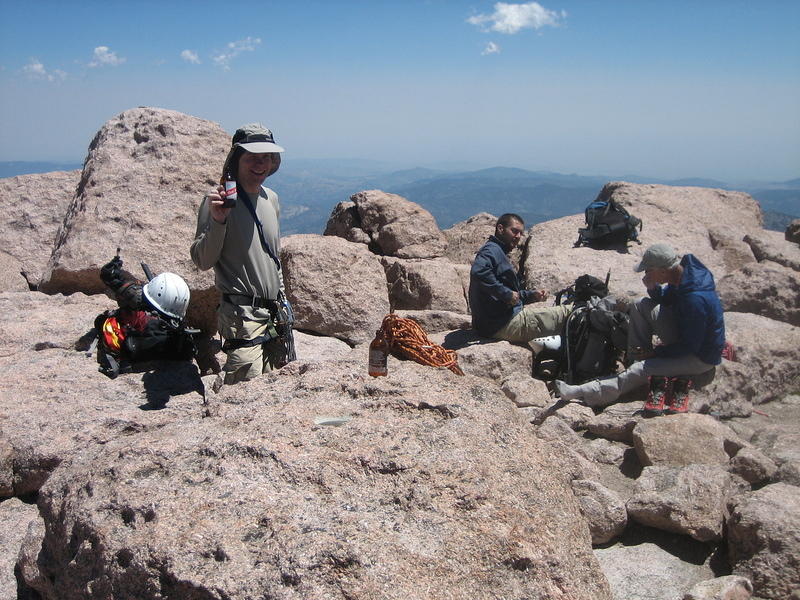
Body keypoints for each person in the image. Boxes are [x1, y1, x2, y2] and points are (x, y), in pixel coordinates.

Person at [553, 243, 725, 414]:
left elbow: (691, 346)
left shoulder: (695, 299)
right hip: (685, 335)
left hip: (700, 356)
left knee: (642, 369)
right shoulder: (682, 276)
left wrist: (656, 354)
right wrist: (653, 288)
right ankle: (636, 355)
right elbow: (668, 300)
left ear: (663, 271)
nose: (646, 274)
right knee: (639, 304)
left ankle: (582, 392)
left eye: (648, 270)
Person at [190, 123, 293, 384]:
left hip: (274, 314)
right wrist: (218, 221)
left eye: (266, 157)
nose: (261, 165)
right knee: (243, 393)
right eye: (252, 158)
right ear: (237, 159)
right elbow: (202, 260)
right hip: (242, 317)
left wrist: (282, 300)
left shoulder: (271, 199)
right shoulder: (218, 201)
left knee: (277, 389)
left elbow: (273, 258)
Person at [469, 213, 571, 342]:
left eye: (520, 233)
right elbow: (479, 272)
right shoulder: (491, 251)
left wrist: (531, 295)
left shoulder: (498, 252)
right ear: (500, 229)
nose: (518, 236)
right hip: (502, 324)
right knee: (572, 314)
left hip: (496, 322)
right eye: (514, 231)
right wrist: (506, 294)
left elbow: (508, 295)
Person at [96, 254, 195, 378]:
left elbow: (113, 280)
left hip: (135, 356)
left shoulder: (141, 316)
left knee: (105, 322)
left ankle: (112, 356)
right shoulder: (178, 328)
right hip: (170, 360)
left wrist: (116, 275)